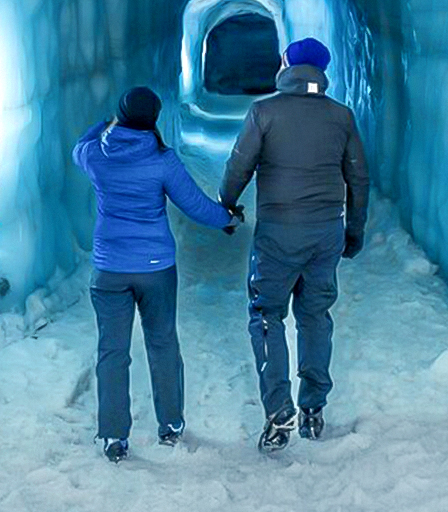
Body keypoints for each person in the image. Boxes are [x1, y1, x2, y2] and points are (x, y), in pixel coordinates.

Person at [73, 86, 240, 462]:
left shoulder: (96, 155)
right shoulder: (162, 160)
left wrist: (106, 123)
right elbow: (195, 204)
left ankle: (114, 436)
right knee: (162, 343)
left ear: (121, 115)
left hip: (110, 268)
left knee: (111, 352)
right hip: (155, 267)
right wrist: (226, 218)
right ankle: (171, 424)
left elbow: (78, 146)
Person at [219, 37, 369, 452]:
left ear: (287, 63)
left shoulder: (264, 112)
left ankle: (278, 407)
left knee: (267, 314)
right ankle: (314, 407)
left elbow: (239, 166)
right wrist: (353, 231)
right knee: (315, 316)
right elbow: (358, 177)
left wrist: (225, 208)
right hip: (325, 232)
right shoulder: (341, 117)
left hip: (278, 233)